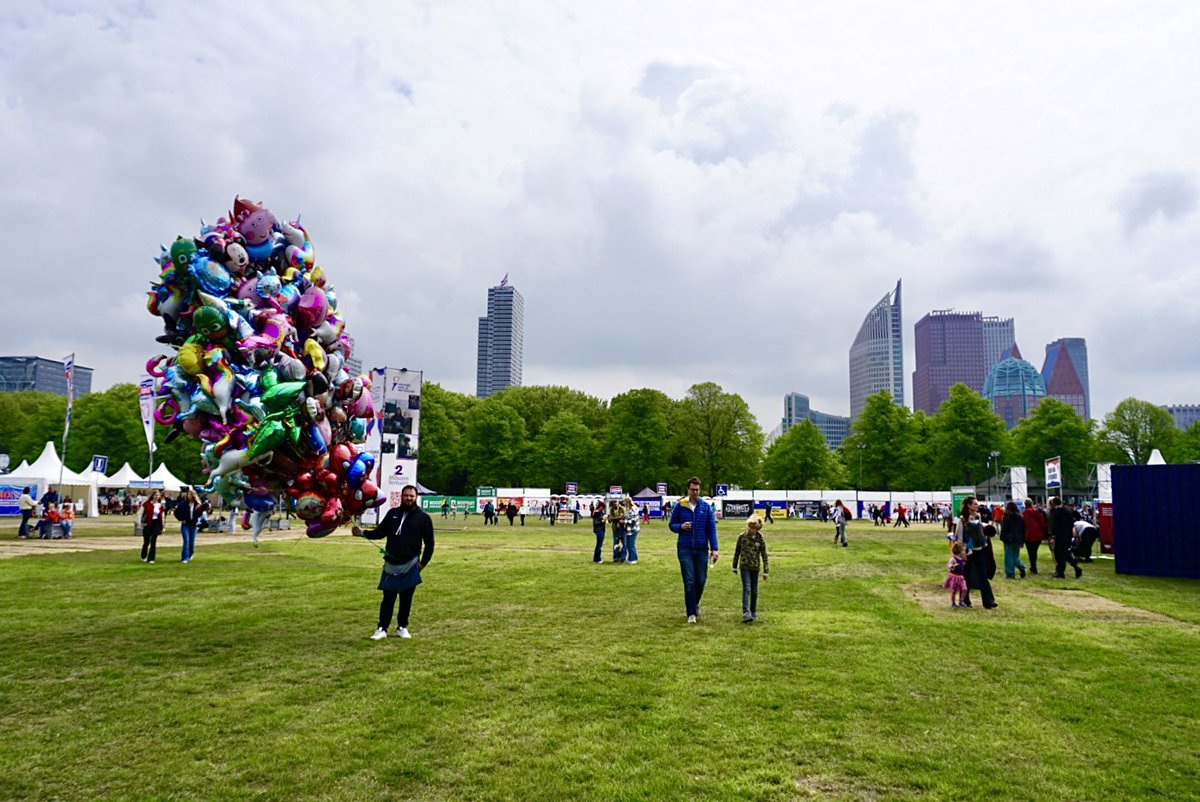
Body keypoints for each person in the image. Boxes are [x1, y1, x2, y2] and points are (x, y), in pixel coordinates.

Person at [354, 485, 435, 640]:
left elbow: (430, 544)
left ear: (416, 497)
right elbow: (380, 533)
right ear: (401, 496)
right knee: (388, 597)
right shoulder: (392, 514)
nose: (409, 498)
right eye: (406, 495)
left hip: (411, 563)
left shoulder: (423, 518)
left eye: (411, 496)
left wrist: (423, 563)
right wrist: (363, 533)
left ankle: (402, 627)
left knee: (406, 598)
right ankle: (382, 628)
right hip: (391, 563)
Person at [668, 477, 718, 624]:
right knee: (689, 581)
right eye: (692, 489)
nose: (695, 492)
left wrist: (714, 549)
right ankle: (691, 613)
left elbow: (711, 529)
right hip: (685, 549)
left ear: (699, 490)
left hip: (702, 549)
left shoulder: (705, 507)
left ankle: (695, 603)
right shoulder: (680, 506)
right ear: (688, 490)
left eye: (697, 490)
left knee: (701, 580)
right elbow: (671, 525)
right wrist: (680, 527)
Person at [957, 496, 997, 609]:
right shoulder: (962, 519)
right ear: (969, 505)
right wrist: (961, 552)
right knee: (967, 576)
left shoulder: (978, 516)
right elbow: (959, 536)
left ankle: (988, 601)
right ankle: (964, 600)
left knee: (983, 576)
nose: (977, 505)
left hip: (980, 550)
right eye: (975, 504)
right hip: (968, 552)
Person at [732, 515, 768, 622]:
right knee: (747, 589)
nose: (750, 530)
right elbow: (737, 552)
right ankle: (746, 613)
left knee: (754, 590)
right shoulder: (742, 537)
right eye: (749, 527)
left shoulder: (760, 539)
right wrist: (734, 566)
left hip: (755, 567)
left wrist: (766, 571)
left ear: (757, 529)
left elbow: (764, 555)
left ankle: (753, 611)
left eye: (753, 528)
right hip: (744, 566)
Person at [1048, 497, 1083, 579]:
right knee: (1065, 553)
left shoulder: (1057, 513)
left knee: (1059, 554)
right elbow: (1071, 523)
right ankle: (1075, 567)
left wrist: (1053, 535)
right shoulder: (1067, 511)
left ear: (1053, 503)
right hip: (1067, 536)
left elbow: (1055, 525)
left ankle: (1061, 572)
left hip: (1060, 536)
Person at [998, 501, 1027, 579]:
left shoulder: (1006, 516)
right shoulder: (1020, 516)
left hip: (1009, 538)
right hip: (1018, 538)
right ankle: (1021, 567)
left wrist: (1002, 537)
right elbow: (1022, 528)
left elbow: (1005, 528)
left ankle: (1010, 573)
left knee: (1008, 556)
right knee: (1015, 555)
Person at [175, 487, 202, 563]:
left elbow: (199, 514)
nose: (189, 496)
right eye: (188, 494)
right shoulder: (183, 504)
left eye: (191, 494)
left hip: (193, 525)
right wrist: (181, 519)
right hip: (185, 524)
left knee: (191, 542)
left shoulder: (197, 504)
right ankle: (184, 558)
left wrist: (200, 508)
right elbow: (176, 513)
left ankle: (190, 554)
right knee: (186, 541)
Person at [1021, 498, 1047, 575]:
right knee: (1034, 551)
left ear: (1025, 505)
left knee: (1030, 552)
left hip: (1028, 535)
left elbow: (1023, 525)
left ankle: (1033, 567)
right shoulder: (1037, 512)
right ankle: (1033, 567)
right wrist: (1045, 534)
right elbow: (1042, 523)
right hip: (1037, 535)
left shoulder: (1024, 514)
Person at [140, 489, 165, 564]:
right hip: (147, 524)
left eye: (158, 495)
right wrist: (141, 523)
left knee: (153, 541)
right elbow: (140, 514)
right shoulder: (146, 504)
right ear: (152, 496)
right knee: (146, 541)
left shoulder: (160, 506)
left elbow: (162, 517)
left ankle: (151, 558)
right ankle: (143, 556)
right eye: (155, 495)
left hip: (156, 524)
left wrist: (162, 527)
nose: (156, 497)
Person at [944, 541, 968, 607]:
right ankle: (953, 603)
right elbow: (949, 565)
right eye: (963, 550)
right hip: (954, 577)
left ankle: (961, 601)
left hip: (961, 577)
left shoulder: (962, 558)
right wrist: (953, 566)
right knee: (954, 591)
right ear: (959, 551)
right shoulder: (953, 559)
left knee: (964, 589)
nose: (965, 552)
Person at [622, 497, 640, 564]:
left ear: (627, 502)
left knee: (631, 544)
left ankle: (634, 559)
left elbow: (633, 520)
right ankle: (630, 558)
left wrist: (624, 522)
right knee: (628, 544)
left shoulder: (633, 509)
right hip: (628, 529)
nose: (624, 504)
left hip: (633, 529)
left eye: (625, 502)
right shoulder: (628, 509)